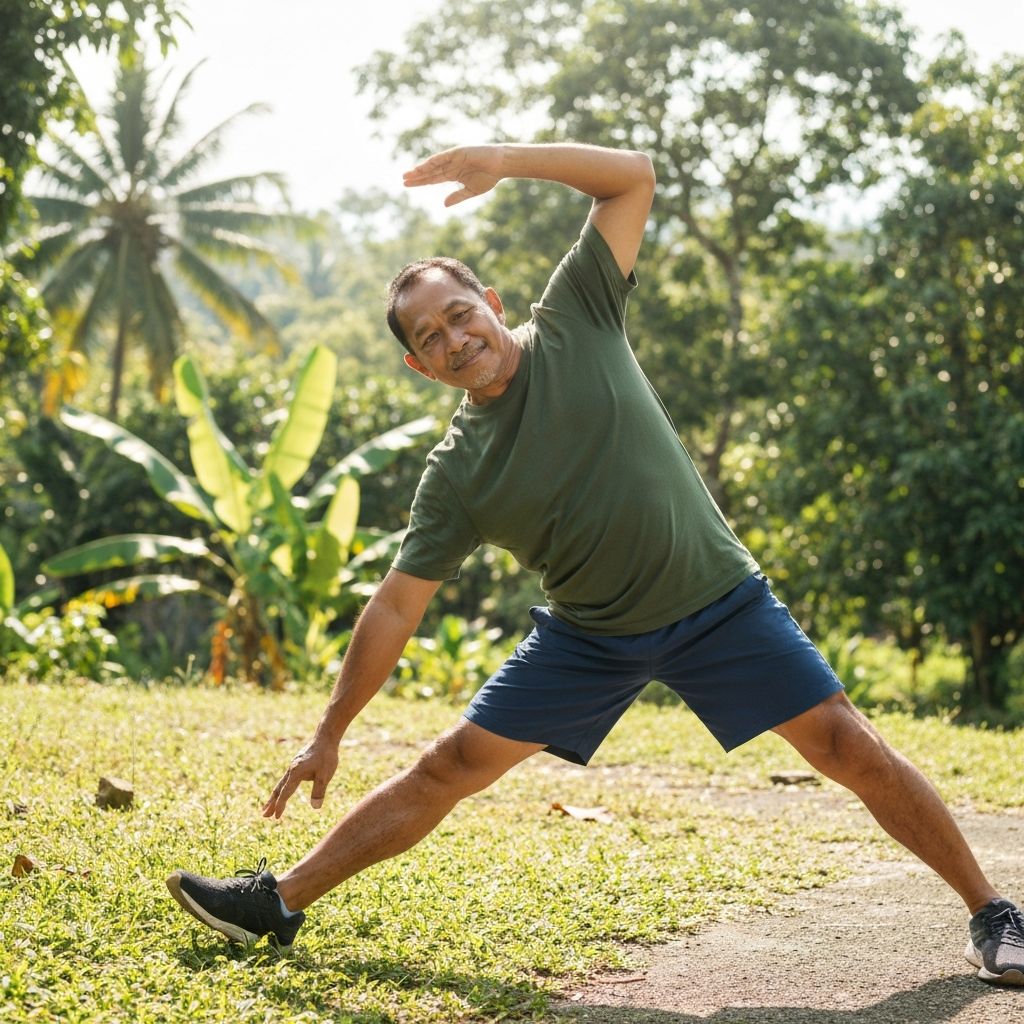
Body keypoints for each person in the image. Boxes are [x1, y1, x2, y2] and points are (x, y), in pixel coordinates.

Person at [166, 143, 1024, 986]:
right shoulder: (458, 473)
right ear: (419, 367)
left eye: (460, 314)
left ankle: (991, 912)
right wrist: (329, 732)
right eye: (431, 338)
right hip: (591, 638)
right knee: (449, 767)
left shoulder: (578, 313)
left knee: (848, 744)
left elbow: (633, 177)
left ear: (490, 302)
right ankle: (277, 901)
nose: (455, 339)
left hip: (719, 601)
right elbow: (395, 607)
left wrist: (502, 159)